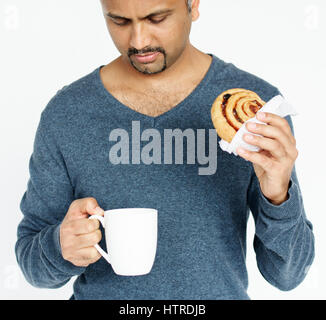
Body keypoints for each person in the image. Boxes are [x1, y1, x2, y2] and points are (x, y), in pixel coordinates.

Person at [15, 0, 314, 300]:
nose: (139, 41)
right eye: (119, 21)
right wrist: (60, 246)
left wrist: (279, 194)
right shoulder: (67, 114)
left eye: (156, 18)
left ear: (193, 5)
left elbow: (287, 276)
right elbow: (32, 263)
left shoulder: (255, 113)